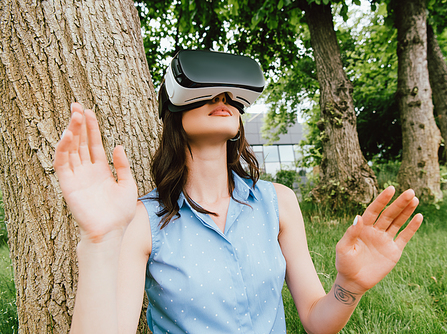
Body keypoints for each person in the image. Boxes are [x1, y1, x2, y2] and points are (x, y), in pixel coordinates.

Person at [53, 50, 423, 334]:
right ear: (174, 109)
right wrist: (99, 240)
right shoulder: (143, 219)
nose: (223, 99)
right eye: (208, 93)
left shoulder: (279, 202)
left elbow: (316, 321)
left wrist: (349, 285)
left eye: (230, 96)